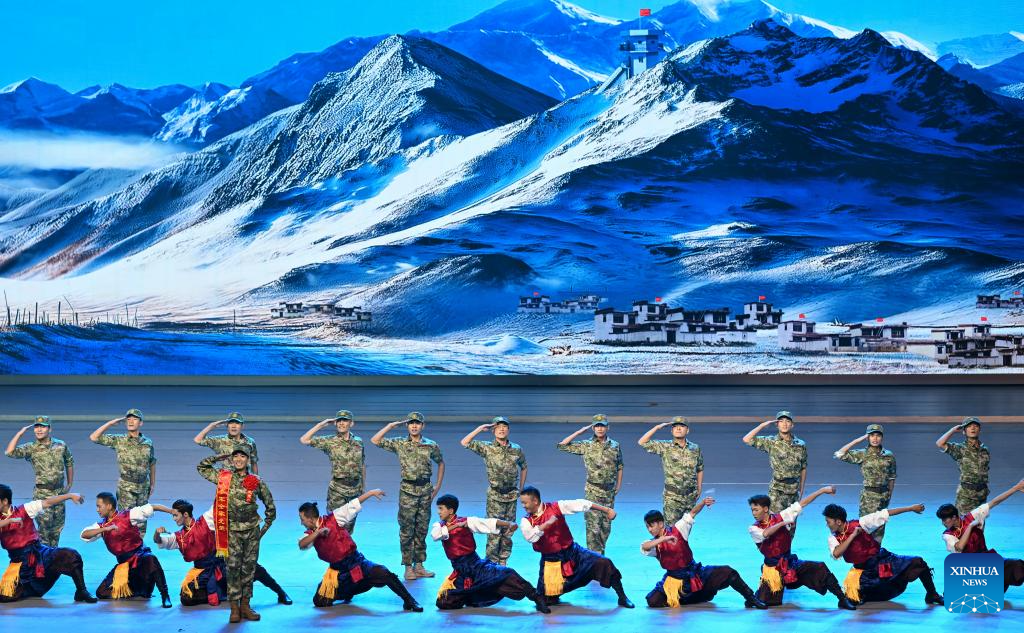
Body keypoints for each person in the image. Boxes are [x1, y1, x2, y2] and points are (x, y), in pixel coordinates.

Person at [298, 490, 422, 612]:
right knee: (319, 601)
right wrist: (318, 533)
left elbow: (353, 504)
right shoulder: (310, 535)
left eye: (302, 519)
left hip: (356, 562)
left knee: (383, 572)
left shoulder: (334, 518)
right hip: (337, 572)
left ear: (310, 519)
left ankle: (409, 600)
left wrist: (371, 493)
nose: (301, 522)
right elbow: (302, 544)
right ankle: (349, 590)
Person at [154, 498, 291, 606]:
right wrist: (157, 534)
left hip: (221, 566)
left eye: (175, 515)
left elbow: (219, 504)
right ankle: (225, 591)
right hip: (202, 573)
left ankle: (280, 592)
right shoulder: (179, 537)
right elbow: (159, 541)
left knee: (254, 568)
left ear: (185, 514)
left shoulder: (204, 522)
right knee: (186, 599)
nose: (174, 519)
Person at [518, 485, 633, 608]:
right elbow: (531, 537)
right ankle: (552, 594)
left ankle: (622, 597)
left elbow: (581, 504)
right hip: (551, 561)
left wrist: (607, 510)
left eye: (525, 503)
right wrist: (546, 524)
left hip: (573, 552)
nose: (523, 506)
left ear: (535, 501)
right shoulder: (526, 521)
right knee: (545, 599)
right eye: (522, 503)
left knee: (604, 562)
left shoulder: (556, 507)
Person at [642, 496, 766, 609]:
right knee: (652, 600)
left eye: (651, 526)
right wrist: (663, 539)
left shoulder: (678, 529)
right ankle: (689, 597)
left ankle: (751, 598)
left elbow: (692, 513)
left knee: (728, 572)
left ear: (660, 523)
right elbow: (645, 546)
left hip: (695, 574)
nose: (649, 529)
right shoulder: (654, 544)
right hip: (673, 580)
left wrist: (702, 502)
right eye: (647, 527)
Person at [432, 493, 548, 612]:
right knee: (444, 602)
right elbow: (436, 535)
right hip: (460, 572)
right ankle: (470, 595)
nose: (438, 512)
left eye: (441, 508)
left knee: (506, 574)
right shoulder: (439, 526)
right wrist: (456, 526)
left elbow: (488, 522)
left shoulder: (467, 521)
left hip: (475, 565)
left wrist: (508, 523)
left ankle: (536, 596)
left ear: (451, 510)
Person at [197, 446, 275, 623]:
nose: (239, 459)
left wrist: (261, 531)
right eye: (236, 456)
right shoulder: (223, 477)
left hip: (251, 532)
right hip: (231, 532)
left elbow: (271, 508)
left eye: (243, 456)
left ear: (248, 460)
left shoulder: (256, 481)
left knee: (249, 569)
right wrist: (219, 456)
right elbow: (201, 467)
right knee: (232, 569)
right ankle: (234, 608)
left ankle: (245, 606)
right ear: (232, 459)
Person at [748, 486, 855, 609]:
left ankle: (842, 598)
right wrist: (783, 523)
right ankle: (755, 596)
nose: (753, 513)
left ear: (766, 509)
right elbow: (766, 534)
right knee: (762, 601)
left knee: (819, 569)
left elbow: (802, 503)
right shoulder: (753, 528)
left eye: (756, 510)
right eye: (752, 510)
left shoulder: (782, 515)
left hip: (789, 563)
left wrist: (822, 490)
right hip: (773, 571)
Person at [823, 502, 943, 606]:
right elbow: (836, 553)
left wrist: (910, 508)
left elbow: (886, 513)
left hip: (881, 563)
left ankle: (932, 594)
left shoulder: (861, 523)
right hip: (863, 572)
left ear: (838, 522)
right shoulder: (833, 538)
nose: (826, 525)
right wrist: (853, 535)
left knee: (917, 563)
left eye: (828, 522)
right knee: (854, 599)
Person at [371, 412, 444, 581]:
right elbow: (375, 440)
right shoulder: (400, 443)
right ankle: (408, 567)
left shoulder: (431, 445)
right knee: (406, 531)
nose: (414, 426)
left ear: (422, 426)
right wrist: (390, 426)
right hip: (407, 492)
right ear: (407, 425)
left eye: (417, 423)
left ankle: (419, 566)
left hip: (425, 491)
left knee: (421, 529)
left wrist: (437, 486)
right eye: (411, 423)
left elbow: (441, 462)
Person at [0, 484, 95, 603]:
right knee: (6, 596)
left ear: (5, 501)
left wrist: (70, 495)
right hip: (20, 566)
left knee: (70, 555)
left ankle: (81, 591)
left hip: (40, 555)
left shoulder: (25, 509)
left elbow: (47, 502)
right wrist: (9, 520)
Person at [79, 492, 172, 607]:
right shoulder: (101, 526)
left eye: (99, 506)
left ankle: (165, 595)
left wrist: (171, 511)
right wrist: (105, 529)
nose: (97, 510)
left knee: (151, 559)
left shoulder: (128, 515)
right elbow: (84, 534)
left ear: (109, 506)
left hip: (140, 558)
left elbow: (153, 507)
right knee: (101, 592)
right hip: (124, 566)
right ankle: (137, 590)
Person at [936, 478, 1024, 593]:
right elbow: (960, 547)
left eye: (944, 520)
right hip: (968, 569)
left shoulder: (972, 516)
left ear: (954, 517)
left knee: (1017, 565)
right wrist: (970, 527)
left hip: (987, 561)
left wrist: (1015, 488)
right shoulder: (948, 535)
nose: (943, 523)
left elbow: (994, 502)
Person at [460, 416, 528, 564]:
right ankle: (491, 563)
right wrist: (480, 428)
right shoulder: (487, 447)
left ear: (508, 430)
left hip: (511, 495)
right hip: (495, 496)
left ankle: (503, 562)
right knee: (493, 529)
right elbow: (464, 442)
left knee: (508, 530)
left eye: (504, 427)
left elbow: (524, 467)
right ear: (493, 430)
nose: (501, 429)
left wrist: (521, 488)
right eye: (498, 427)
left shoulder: (516, 449)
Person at [557, 414, 623, 554]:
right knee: (593, 529)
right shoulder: (586, 445)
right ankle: (594, 560)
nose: (600, 429)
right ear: (593, 428)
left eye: (602, 426)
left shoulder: (615, 445)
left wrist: (618, 485)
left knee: (605, 528)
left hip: (609, 493)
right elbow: (562, 446)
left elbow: (620, 466)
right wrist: (579, 432)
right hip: (593, 491)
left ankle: (599, 556)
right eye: (597, 426)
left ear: (608, 427)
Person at [5, 416, 75, 545]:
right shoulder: (31, 447)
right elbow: (9, 452)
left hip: (59, 493)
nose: (39, 430)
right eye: (36, 427)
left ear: (50, 429)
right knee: (44, 532)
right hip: (42, 494)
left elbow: (69, 461)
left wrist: (70, 483)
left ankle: (53, 555)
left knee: (57, 530)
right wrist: (20, 434)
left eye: (43, 427)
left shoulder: (61, 445)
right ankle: (44, 557)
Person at [90, 409, 157, 534]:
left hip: (143, 486)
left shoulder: (148, 442)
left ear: (141, 423)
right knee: (125, 520)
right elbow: (94, 437)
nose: (131, 421)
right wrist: (110, 423)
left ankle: (139, 545)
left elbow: (152, 462)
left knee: (142, 519)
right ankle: (125, 545)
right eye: (128, 419)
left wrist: (153, 483)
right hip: (126, 487)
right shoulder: (119, 440)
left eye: (135, 419)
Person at [300, 410, 365, 528]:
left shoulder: (359, 442)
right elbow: (304, 440)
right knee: (334, 526)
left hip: (355, 490)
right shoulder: (330, 441)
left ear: (351, 423)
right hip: (337, 491)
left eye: (345, 420)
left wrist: (363, 486)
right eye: (339, 421)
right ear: (335, 423)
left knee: (349, 527)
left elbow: (362, 464)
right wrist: (321, 425)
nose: (341, 423)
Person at [834, 424, 897, 542]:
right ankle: (864, 553)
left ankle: (876, 552)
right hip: (869, 497)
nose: (875, 438)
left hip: (883, 496)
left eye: (878, 435)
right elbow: (840, 454)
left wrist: (889, 496)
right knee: (866, 529)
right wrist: (858, 440)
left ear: (882, 437)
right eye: (872, 435)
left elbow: (892, 477)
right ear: (867, 437)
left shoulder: (889, 455)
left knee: (880, 529)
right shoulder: (863, 453)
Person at [638, 416, 702, 525]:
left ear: (687, 430)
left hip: (690, 496)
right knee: (671, 530)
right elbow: (642, 442)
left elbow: (700, 468)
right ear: (671, 430)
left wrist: (699, 487)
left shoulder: (695, 448)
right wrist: (657, 427)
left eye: (682, 426)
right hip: (672, 497)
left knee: (686, 529)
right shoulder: (665, 446)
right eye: (675, 426)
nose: (678, 428)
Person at [742, 411, 807, 514]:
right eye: (781, 421)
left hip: (794, 491)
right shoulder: (771, 442)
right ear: (777, 424)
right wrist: (762, 425)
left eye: (788, 421)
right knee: (775, 522)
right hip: (777, 491)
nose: (784, 424)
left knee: (791, 523)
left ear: (792, 424)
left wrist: (802, 488)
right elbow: (746, 439)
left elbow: (803, 467)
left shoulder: (801, 444)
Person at [935, 417, 990, 514]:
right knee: (963, 522)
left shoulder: (984, 450)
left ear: (979, 430)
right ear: (964, 431)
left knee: (980, 522)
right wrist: (952, 430)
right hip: (966, 496)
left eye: (975, 426)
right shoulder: (960, 449)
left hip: (982, 494)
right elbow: (940, 443)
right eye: (969, 426)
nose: (973, 428)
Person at [195, 412, 260, 474]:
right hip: (226, 479)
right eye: (231, 423)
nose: (233, 426)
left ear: (242, 426)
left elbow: (254, 462)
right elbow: (197, 440)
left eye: (237, 423)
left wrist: (256, 479)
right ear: (227, 425)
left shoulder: (250, 442)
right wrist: (211, 426)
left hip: (245, 479)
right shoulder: (220, 441)